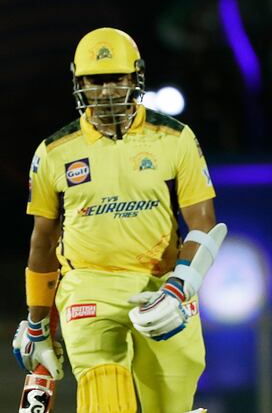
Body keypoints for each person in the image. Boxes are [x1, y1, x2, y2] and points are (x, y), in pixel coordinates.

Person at [12, 28, 227, 413]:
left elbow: (203, 221)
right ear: (80, 83)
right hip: (87, 287)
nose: (107, 90)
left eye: (117, 78)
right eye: (96, 80)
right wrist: (36, 323)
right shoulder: (54, 152)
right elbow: (42, 243)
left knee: (172, 406)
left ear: (135, 77)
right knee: (105, 395)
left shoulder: (174, 138)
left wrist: (180, 285)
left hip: (161, 284)